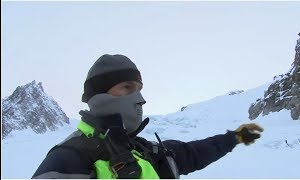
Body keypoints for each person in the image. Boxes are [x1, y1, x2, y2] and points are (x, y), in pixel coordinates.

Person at [32, 54, 264, 179]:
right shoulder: (69, 159)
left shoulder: (145, 150)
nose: (140, 98)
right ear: (100, 94)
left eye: (140, 89)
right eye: (127, 87)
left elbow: (195, 153)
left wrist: (235, 137)